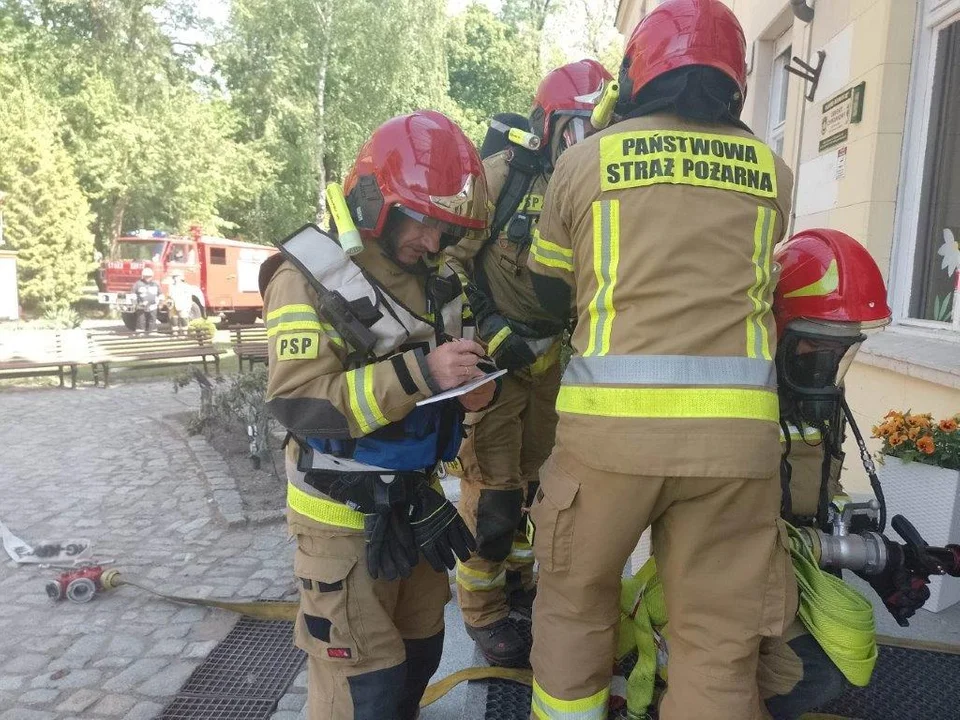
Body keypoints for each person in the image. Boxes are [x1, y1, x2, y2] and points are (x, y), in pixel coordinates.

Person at [523, 1, 797, 718]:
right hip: (736, 450)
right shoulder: (775, 172)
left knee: (577, 609)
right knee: (717, 642)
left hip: (605, 443)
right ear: (736, 77)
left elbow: (548, 293)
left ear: (638, 74)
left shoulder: (584, 163)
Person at [613, 228, 934, 720]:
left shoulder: (817, 398)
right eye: (817, 348)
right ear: (777, 331)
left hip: (774, 575)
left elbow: (819, 496)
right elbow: (725, 533)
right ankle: (675, 691)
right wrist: (868, 556)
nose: (828, 366)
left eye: (842, 349)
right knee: (815, 675)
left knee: (846, 649)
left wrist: (882, 556)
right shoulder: (730, 407)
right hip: (708, 581)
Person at [260, 110, 499, 720]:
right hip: (339, 522)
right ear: (376, 199)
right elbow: (301, 403)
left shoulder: (440, 281)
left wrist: (475, 391)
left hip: (413, 507)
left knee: (419, 656)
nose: (435, 244)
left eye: (447, 232)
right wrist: (422, 375)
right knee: (363, 689)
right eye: (424, 223)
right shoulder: (306, 279)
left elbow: (451, 373)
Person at [447, 59, 614, 667]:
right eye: (574, 129)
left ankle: (518, 590)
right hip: (494, 368)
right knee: (493, 499)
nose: (584, 145)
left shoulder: (599, 185)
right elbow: (446, 264)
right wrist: (489, 330)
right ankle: (484, 614)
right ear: (547, 126)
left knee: (537, 490)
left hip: (553, 365)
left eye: (595, 131)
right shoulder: (498, 180)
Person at [131, 267, 160, 335]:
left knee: (152, 319)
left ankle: (152, 332)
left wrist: (160, 302)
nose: (148, 278)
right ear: (143, 276)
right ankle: (140, 332)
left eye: (149, 276)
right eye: (146, 276)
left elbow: (160, 294)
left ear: (152, 276)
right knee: (141, 319)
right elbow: (133, 294)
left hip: (153, 306)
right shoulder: (138, 284)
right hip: (141, 306)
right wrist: (135, 303)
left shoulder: (155, 284)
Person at [167, 271, 193, 336]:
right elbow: (169, 296)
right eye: (174, 277)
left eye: (177, 277)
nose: (175, 278)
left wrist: (188, 307)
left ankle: (184, 334)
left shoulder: (186, 286)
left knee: (184, 320)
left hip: (183, 306)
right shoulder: (171, 286)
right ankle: (175, 334)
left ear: (180, 277)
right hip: (173, 307)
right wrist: (169, 306)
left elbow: (189, 297)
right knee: (174, 321)